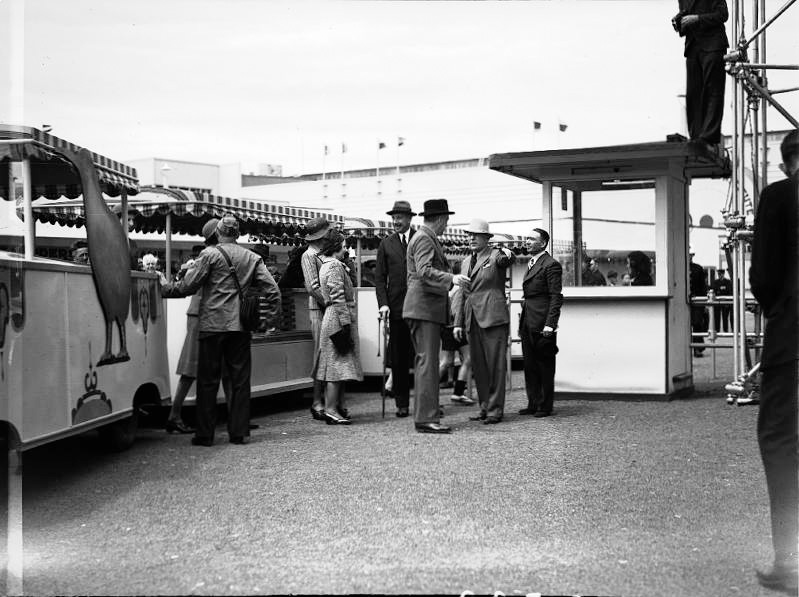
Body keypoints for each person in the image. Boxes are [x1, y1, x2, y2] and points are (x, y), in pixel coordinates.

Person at [161, 215, 281, 446]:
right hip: (240, 327)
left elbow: (188, 286)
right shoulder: (252, 257)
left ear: (217, 232)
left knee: (208, 381)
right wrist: (270, 320)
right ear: (238, 234)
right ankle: (239, 432)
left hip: (212, 325)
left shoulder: (210, 255)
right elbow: (273, 291)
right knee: (239, 381)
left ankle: (205, 435)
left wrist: (163, 289)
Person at [749, 128, 799, 593]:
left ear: (786, 164)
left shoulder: (780, 195)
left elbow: (763, 277)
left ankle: (791, 560)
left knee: (782, 443)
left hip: (792, 342)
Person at [403, 198, 470, 434]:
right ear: (441, 219)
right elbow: (424, 271)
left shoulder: (422, 236)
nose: (446, 225)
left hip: (422, 308)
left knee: (426, 363)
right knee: (427, 364)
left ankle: (426, 414)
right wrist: (452, 278)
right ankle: (425, 418)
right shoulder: (424, 238)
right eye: (447, 220)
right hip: (424, 309)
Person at [453, 219, 514, 424]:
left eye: (476, 235)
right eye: (469, 235)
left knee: (495, 366)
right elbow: (461, 294)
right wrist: (458, 322)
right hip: (472, 318)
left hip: (493, 317)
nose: (471, 238)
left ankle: (495, 410)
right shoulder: (464, 262)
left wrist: (508, 253)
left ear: (487, 238)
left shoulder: (496, 255)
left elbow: (507, 259)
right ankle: (485, 407)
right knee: (478, 367)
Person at [162, 220, 219, 434]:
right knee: (191, 366)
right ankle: (175, 415)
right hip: (201, 315)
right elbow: (189, 284)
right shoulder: (209, 255)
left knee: (198, 367)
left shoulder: (209, 255)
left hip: (204, 314)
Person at [313, 231, 363, 424]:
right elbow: (337, 296)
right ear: (336, 246)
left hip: (332, 316)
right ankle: (331, 409)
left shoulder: (327, 264)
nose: (346, 249)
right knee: (336, 367)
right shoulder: (334, 265)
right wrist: (346, 322)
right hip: (337, 318)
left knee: (336, 365)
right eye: (344, 245)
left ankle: (334, 408)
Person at [374, 200, 416, 418]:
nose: (395, 221)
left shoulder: (421, 238)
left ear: (409, 218)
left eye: (399, 217)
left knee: (423, 356)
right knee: (398, 359)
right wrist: (383, 303)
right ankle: (402, 403)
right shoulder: (386, 243)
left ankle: (426, 402)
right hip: (397, 308)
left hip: (420, 306)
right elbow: (380, 278)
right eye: (393, 218)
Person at [519, 228, 563, 418]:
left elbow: (555, 296)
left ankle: (545, 406)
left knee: (544, 365)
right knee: (530, 365)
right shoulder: (532, 263)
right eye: (527, 238)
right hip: (528, 320)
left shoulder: (551, 264)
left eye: (531, 239)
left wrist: (550, 324)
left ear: (543, 243)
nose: (527, 241)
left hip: (542, 321)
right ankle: (533, 403)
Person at [672, 0, 729, 148]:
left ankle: (708, 136)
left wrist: (697, 18)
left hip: (713, 44)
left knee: (713, 91)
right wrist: (679, 23)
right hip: (693, 46)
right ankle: (696, 136)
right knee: (693, 93)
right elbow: (686, 19)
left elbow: (722, 14)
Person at [301, 217, 332, 420]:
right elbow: (312, 287)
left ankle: (328, 400)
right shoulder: (309, 255)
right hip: (319, 309)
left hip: (326, 308)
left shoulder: (322, 253)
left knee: (329, 354)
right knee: (320, 354)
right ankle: (317, 400)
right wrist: (330, 302)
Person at [689, 252, 708, 357]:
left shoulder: (698, 268)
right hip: (683, 300)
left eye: (690, 255)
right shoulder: (679, 267)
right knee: (684, 325)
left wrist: (703, 302)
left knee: (697, 324)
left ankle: (697, 348)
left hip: (696, 300)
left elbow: (703, 286)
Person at [711, 268, 732, 332]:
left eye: (720, 274)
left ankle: (725, 331)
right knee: (717, 317)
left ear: (723, 274)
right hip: (717, 302)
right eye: (718, 274)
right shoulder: (715, 282)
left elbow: (729, 291)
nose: (719, 275)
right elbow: (714, 290)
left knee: (725, 318)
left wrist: (728, 302)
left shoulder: (727, 282)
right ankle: (717, 330)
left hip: (725, 302)